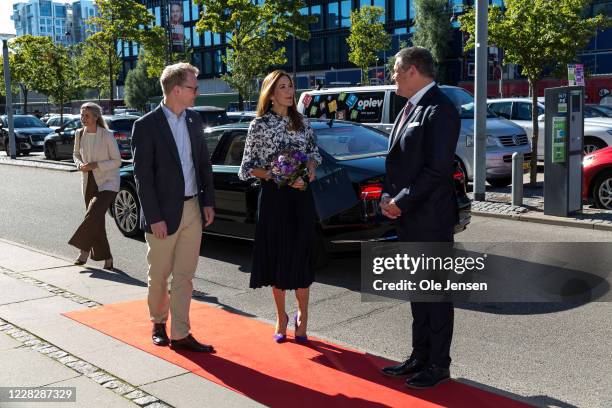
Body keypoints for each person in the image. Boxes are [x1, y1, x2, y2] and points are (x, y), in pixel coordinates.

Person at [379, 47, 460, 389]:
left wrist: (401, 201)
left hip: (430, 218)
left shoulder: (440, 109)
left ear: (413, 70)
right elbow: (397, 161)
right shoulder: (410, 107)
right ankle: (419, 356)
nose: (392, 76)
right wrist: (387, 194)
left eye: (396, 70)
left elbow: (437, 170)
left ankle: (439, 364)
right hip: (410, 217)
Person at [131, 62, 216, 353]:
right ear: (176, 90)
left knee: (185, 276)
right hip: (162, 215)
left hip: (192, 207)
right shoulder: (145, 126)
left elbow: (203, 164)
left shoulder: (193, 121)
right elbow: (143, 177)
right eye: (193, 87)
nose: (197, 92)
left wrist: (208, 201)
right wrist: (154, 217)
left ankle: (181, 333)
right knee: (159, 275)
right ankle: (158, 321)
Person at [238, 70, 321, 343]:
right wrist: (281, 176)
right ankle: (281, 316)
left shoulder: (303, 122)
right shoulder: (259, 125)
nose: (289, 91)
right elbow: (248, 168)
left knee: (301, 255)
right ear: (271, 93)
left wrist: (309, 169)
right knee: (277, 257)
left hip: (301, 200)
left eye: (291, 86)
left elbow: (314, 154)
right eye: (282, 87)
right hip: (274, 198)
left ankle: (303, 317)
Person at [69, 102, 121, 270]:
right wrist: (79, 164)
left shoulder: (106, 135)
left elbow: (117, 161)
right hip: (89, 180)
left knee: (93, 213)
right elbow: (76, 154)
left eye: (86, 116)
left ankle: (83, 251)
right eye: (81, 116)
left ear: (96, 117)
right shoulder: (79, 134)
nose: (83, 119)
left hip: (108, 181)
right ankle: (107, 258)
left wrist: (95, 165)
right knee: (96, 220)